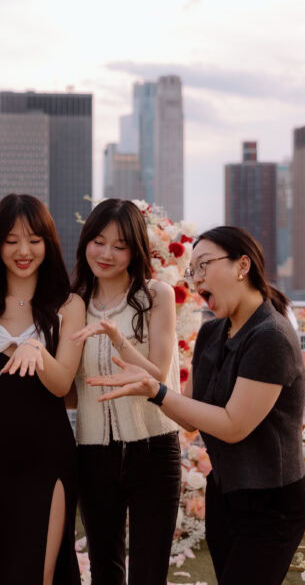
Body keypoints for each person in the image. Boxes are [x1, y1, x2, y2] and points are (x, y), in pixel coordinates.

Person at [87, 225, 305, 585]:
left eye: (204, 265)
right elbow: (189, 414)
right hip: (225, 496)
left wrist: (155, 391)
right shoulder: (212, 332)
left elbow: (233, 426)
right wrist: (131, 360)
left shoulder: (271, 336)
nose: (196, 279)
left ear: (242, 266)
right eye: (192, 270)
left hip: (272, 505)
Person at [0, 194, 85, 585]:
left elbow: (62, 384)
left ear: (48, 243)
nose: (23, 251)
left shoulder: (68, 305)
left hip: (48, 458)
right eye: (11, 241)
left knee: (40, 573)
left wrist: (37, 349)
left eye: (34, 240)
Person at [69, 198, 182, 585]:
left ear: (135, 251)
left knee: (149, 572)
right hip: (92, 452)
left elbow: (157, 375)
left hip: (153, 448)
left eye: (119, 246)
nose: (106, 254)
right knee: (105, 569)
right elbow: (70, 387)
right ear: (86, 242)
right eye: (98, 242)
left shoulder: (156, 295)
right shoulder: (74, 303)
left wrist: (118, 340)